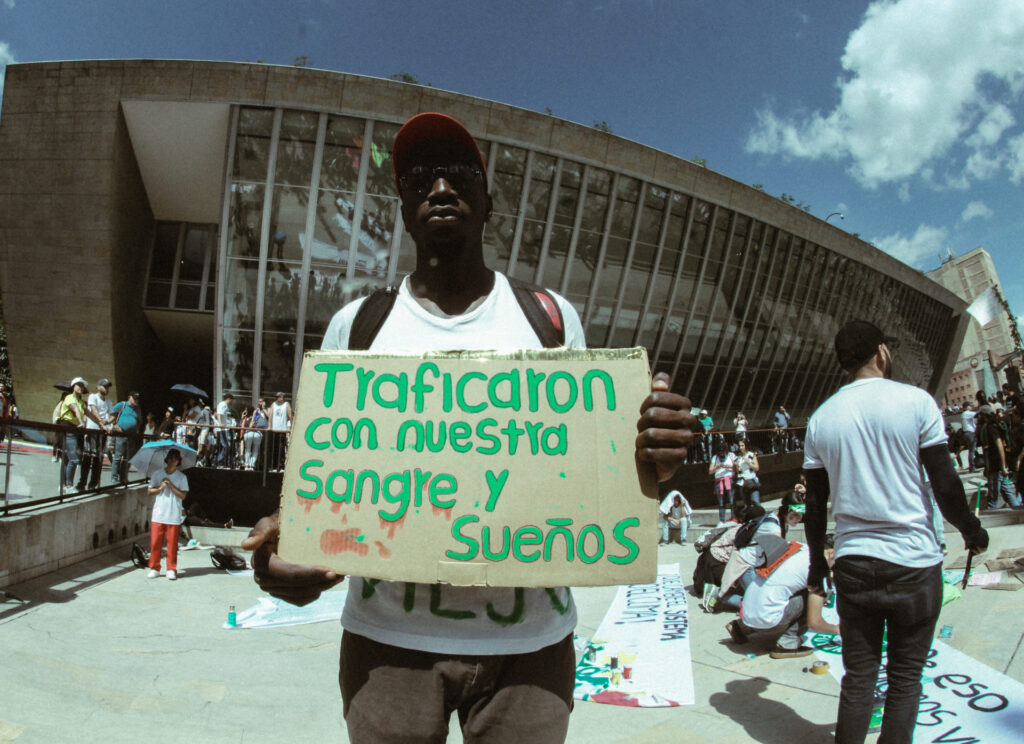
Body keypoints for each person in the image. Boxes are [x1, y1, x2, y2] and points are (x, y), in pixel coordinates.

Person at [241, 112, 694, 744]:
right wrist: (287, 545)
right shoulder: (356, 327)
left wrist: (655, 457)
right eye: (421, 178)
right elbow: (322, 480)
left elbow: (590, 470)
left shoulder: (550, 320)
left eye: (459, 175)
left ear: (488, 202)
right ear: (402, 206)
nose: (440, 189)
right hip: (386, 646)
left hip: (531, 649)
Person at [803, 319, 989, 744]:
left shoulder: (821, 419)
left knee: (858, 680)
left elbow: (814, 506)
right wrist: (972, 529)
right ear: (882, 353)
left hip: (853, 563)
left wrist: (817, 563)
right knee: (905, 681)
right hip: (914, 563)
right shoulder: (916, 402)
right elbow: (945, 482)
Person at [725, 538, 840, 659]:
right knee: (813, 597)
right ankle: (788, 644)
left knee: (780, 590)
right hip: (766, 621)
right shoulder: (818, 570)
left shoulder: (797, 547)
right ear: (831, 553)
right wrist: (837, 629)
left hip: (747, 613)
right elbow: (815, 622)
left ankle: (741, 628)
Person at [57, 377, 110, 492]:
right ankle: (69, 485)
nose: (81, 388)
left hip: (77, 430)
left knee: (70, 458)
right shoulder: (69, 398)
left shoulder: (81, 402)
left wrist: (102, 425)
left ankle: (63, 484)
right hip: (69, 427)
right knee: (74, 459)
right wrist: (81, 422)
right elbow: (75, 410)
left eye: (82, 386)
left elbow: (90, 415)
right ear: (73, 386)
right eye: (78, 385)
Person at [146, 448, 189, 580]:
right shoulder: (157, 474)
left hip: (173, 515)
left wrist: (171, 486)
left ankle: (171, 568)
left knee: (172, 544)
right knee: (155, 543)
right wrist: (160, 488)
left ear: (178, 462)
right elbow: (149, 491)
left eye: (175, 459)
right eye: (170, 458)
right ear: (167, 459)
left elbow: (183, 495)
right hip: (159, 513)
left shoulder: (182, 477)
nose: (172, 461)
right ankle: (154, 567)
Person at [977, 404, 1021, 508]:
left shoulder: (990, 427)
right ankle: (1018, 509)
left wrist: (1003, 465)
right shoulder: (995, 424)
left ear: (984, 415)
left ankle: (991, 515)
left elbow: (999, 445)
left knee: (993, 496)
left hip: (995, 465)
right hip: (996, 465)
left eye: (980, 416)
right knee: (1006, 491)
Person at [78, 377, 114, 490]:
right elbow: (94, 410)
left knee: (99, 459)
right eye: (104, 386)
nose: (106, 389)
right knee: (88, 457)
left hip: (102, 433)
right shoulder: (93, 397)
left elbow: (112, 415)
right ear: (98, 387)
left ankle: (93, 484)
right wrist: (101, 423)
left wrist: (107, 422)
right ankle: (82, 483)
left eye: (108, 387)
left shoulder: (108, 402)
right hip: (92, 431)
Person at [109, 391, 142, 485]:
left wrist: (136, 429)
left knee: (127, 457)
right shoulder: (122, 405)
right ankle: (114, 478)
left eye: (137, 399)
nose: (136, 400)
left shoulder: (137, 409)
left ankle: (124, 477)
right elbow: (111, 414)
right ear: (129, 398)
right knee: (118, 456)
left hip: (131, 435)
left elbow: (139, 421)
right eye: (134, 398)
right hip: (121, 434)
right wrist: (115, 425)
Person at [709, 441, 738, 524]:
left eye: (723, 451)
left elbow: (737, 467)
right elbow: (710, 471)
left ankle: (734, 517)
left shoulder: (731, 455)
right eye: (720, 452)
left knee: (732, 499)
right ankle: (722, 520)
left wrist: (729, 466)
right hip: (719, 480)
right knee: (721, 502)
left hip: (729, 479)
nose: (722, 453)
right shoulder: (715, 458)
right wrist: (717, 466)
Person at [268, 392, 293, 471]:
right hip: (274, 430)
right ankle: (274, 466)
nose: (278, 399)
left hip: (282, 430)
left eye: (280, 397)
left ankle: (281, 466)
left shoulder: (286, 404)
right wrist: (269, 426)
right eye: (277, 397)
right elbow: (270, 416)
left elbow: (290, 415)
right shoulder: (273, 404)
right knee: (274, 448)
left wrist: (292, 426)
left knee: (281, 448)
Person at [243, 398, 269, 470]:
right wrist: (249, 428)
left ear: (264, 402)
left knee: (261, 449)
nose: (259, 403)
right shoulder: (256, 411)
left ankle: (255, 464)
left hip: (265, 430)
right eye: (258, 402)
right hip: (256, 429)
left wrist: (263, 408)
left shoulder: (268, 409)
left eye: (261, 402)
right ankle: (248, 465)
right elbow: (253, 420)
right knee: (249, 448)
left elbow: (269, 416)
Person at [735, 438, 760, 505]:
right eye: (739, 446)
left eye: (742, 445)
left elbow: (757, 468)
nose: (741, 447)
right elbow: (738, 472)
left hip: (751, 480)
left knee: (756, 502)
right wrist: (737, 466)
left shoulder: (751, 455)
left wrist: (748, 462)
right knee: (746, 503)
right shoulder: (738, 457)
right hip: (742, 481)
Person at [215, 393, 236, 468]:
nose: (232, 402)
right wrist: (220, 423)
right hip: (224, 429)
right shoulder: (223, 404)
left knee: (227, 446)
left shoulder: (226, 406)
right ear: (228, 399)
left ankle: (223, 461)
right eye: (232, 400)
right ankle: (220, 461)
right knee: (226, 445)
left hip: (227, 428)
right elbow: (219, 414)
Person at [961, 404, 978, 471]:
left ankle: (972, 466)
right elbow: (977, 414)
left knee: (971, 450)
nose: (971, 407)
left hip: (966, 433)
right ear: (966, 407)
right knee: (972, 450)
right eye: (969, 406)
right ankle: (972, 466)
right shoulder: (967, 413)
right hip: (970, 432)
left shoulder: (963, 414)